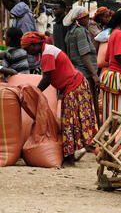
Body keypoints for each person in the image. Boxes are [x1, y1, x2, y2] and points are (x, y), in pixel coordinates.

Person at [21, 32, 98, 165]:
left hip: (74, 87)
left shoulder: (47, 55)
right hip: (74, 86)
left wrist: (34, 93)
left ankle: (70, 158)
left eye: (28, 49)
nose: (28, 52)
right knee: (73, 121)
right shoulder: (48, 51)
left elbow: (46, 79)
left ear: (34, 45)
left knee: (68, 122)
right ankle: (75, 151)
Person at [64, 6, 100, 124]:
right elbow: (84, 54)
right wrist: (94, 74)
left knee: (82, 106)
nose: (88, 21)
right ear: (79, 19)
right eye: (86, 18)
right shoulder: (80, 31)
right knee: (89, 105)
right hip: (85, 73)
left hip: (76, 73)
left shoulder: (71, 31)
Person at [2, 0, 40, 73]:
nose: (5, 8)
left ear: (11, 2)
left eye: (5, 4)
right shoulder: (20, 15)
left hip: (29, 62)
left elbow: (27, 42)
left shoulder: (24, 18)